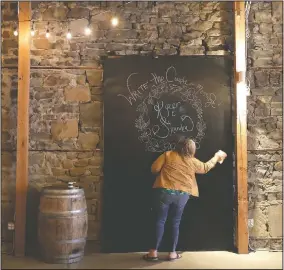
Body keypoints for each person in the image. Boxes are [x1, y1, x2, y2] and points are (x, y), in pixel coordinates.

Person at [143, 138, 226, 261]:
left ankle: (153, 253)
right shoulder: (192, 161)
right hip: (182, 195)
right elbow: (205, 167)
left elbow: (154, 169)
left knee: (159, 221)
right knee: (175, 223)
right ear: (192, 149)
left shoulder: (168, 154)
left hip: (164, 192)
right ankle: (172, 253)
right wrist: (216, 156)